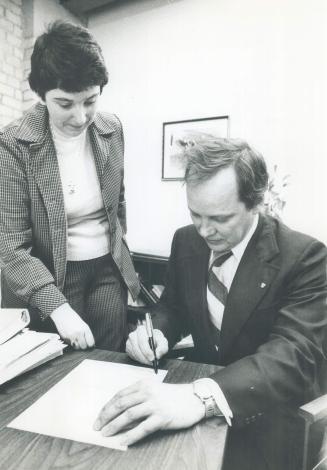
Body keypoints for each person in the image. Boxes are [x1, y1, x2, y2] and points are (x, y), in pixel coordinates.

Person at [94, 137, 327, 470]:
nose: (204, 231)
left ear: (255, 203)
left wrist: (202, 397)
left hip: (266, 415)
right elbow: (172, 308)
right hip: (194, 402)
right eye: (195, 214)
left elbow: (293, 356)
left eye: (220, 218)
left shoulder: (305, 257)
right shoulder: (185, 239)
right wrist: (156, 333)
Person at [0, 20, 139, 351]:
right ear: (41, 94)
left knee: (109, 357)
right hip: (50, 276)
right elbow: (9, 246)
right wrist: (59, 309)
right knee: (60, 370)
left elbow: (117, 203)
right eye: (65, 103)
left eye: (90, 100)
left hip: (107, 268)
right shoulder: (13, 145)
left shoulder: (112, 128)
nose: (80, 116)